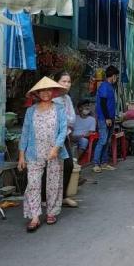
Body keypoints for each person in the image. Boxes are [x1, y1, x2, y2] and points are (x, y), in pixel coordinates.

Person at [18, 77, 69, 232]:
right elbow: (25, 133)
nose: (45, 93)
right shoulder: (30, 111)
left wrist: (56, 147)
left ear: (52, 92)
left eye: (48, 90)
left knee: (53, 183)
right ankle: (34, 216)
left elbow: (63, 130)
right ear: (37, 93)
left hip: (54, 152)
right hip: (34, 152)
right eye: (42, 91)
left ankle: (51, 212)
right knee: (33, 184)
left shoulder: (59, 109)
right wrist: (21, 155)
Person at [50, 71, 78, 208]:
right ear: (56, 82)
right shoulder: (51, 98)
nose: (67, 84)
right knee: (49, 168)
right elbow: (55, 119)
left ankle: (62, 196)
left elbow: (72, 119)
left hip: (64, 136)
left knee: (68, 165)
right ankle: (46, 198)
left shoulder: (67, 98)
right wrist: (64, 120)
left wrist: (64, 120)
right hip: (51, 138)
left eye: (68, 81)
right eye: (64, 81)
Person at [93, 65, 119, 173]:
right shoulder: (104, 86)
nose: (116, 79)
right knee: (102, 141)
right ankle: (96, 164)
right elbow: (103, 104)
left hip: (110, 118)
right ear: (112, 76)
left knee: (107, 141)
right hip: (104, 119)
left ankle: (104, 163)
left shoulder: (110, 87)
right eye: (116, 76)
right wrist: (107, 118)